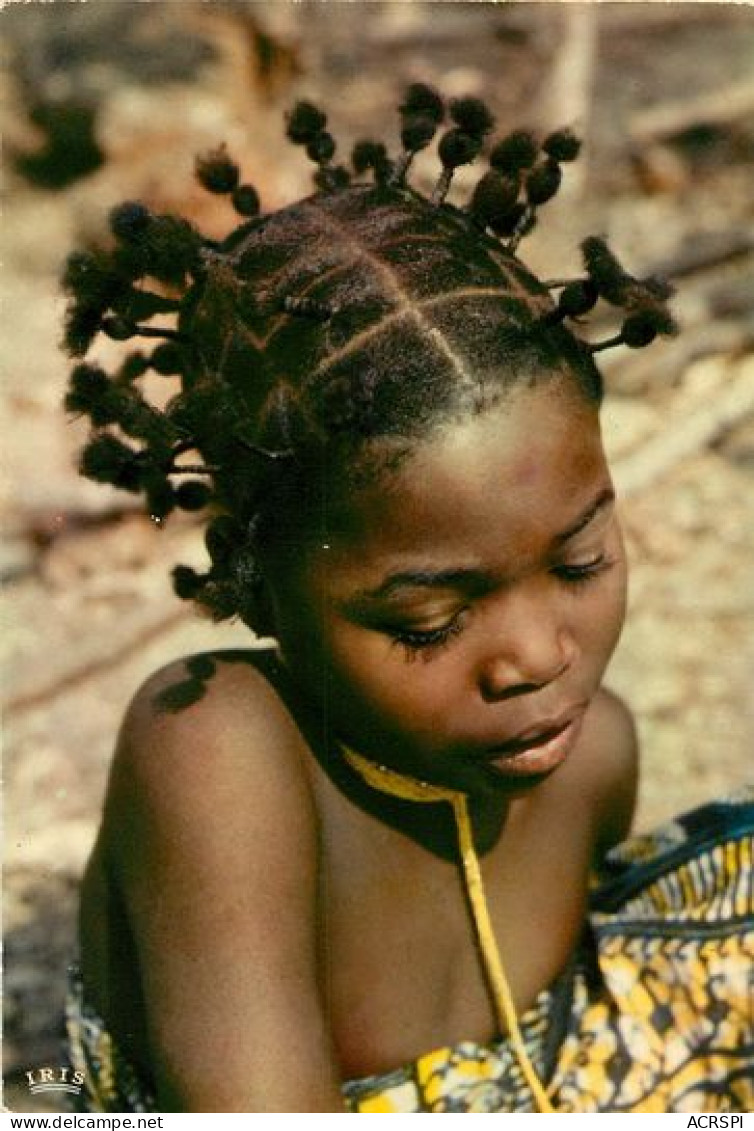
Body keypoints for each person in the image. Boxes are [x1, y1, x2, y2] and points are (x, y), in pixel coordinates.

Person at [61, 86, 753, 1113]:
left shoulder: (589, 757)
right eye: (428, 621)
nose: (536, 655)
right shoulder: (220, 752)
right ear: (259, 588)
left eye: (577, 563)